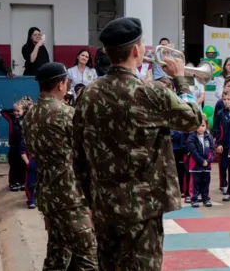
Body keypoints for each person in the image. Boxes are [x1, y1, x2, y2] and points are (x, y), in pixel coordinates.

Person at [72, 17, 202, 270]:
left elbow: (78, 153)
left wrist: (89, 201)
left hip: (105, 204)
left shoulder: (89, 93)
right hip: (143, 208)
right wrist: (180, 78)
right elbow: (193, 118)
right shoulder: (150, 92)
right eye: (143, 44)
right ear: (135, 50)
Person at [22, 62, 98, 269]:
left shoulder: (29, 116)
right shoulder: (66, 114)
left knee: (57, 253)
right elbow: (86, 152)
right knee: (88, 256)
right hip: (69, 195)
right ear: (60, 85)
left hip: (47, 192)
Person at [187, 116, 214, 208]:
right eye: (198, 125)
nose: (200, 128)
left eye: (202, 125)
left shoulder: (208, 137)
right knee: (195, 183)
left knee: (206, 182)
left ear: (206, 126)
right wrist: (202, 161)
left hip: (207, 165)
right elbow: (193, 151)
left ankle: (206, 199)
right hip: (196, 165)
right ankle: (194, 199)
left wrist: (208, 160)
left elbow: (212, 150)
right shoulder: (192, 137)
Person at [1, 100, 28, 191]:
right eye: (14, 110)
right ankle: (13, 182)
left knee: (23, 164)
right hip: (13, 146)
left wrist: (25, 106)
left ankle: (23, 182)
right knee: (13, 164)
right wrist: (14, 109)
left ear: (24, 111)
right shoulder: (11, 118)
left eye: (18, 111)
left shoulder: (27, 118)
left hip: (24, 146)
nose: (16, 113)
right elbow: (3, 112)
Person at [213, 90, 230, 194]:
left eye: (228, 99)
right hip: (223, 144)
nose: (226, 101)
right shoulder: (220, 113)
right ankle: (223, 184)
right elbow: (217, 129)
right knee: (223, 165)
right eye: (224, 99)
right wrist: (219, 143)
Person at [20, 139, 37, 209]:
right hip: (32, 164)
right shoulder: (27, 138)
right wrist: (28, 163)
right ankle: (31, 200)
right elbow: (22, 151)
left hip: (44, 164)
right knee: (31, 183)